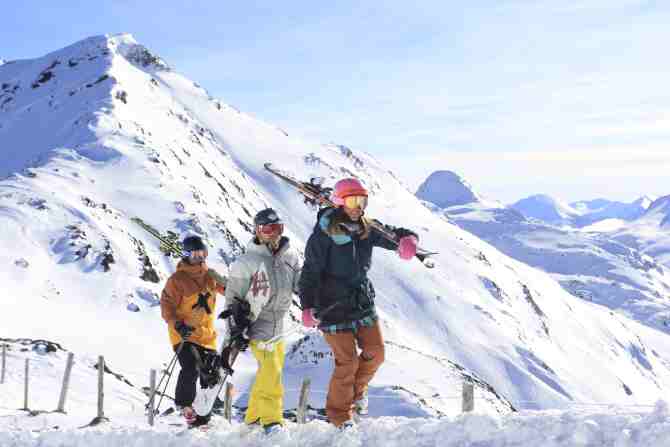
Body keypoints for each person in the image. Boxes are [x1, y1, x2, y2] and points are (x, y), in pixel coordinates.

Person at [298, 178, 418, 428]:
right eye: (353, 201)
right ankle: (339, 416)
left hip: (361, 301)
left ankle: (356, 393)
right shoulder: (323, 233)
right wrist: (307, 307)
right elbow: (310, 272)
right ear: (341, 202)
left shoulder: (367, 228)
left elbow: (394, 235)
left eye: (363, 201)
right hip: (331, 306)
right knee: (348, 362)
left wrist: (408, 241)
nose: (358, 206)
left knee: (376, 353)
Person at [223, 208, 301, 435]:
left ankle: (254, 417)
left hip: (280, 325)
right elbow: (232, 299)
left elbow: (299, 284)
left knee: (269, 372)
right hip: (255, 324)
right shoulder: (246, 262)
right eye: (266, 230)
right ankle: (271, 421)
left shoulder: (290, 257)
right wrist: (235, 331)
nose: (272, 234)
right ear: (257, 232)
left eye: (276, 229)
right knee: (272, 372)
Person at [160, 235, 226, 426]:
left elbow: (229, 288)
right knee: (191, 367)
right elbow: (167, 307)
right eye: (195, 254)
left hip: (206, 336)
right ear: (186, 255)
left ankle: (203, 416)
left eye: (202, 254)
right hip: (184, 334)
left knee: (212, 375)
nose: (199, 258)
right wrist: (177, 324)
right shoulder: (177, 280)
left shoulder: (210, 276)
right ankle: (185, 405)